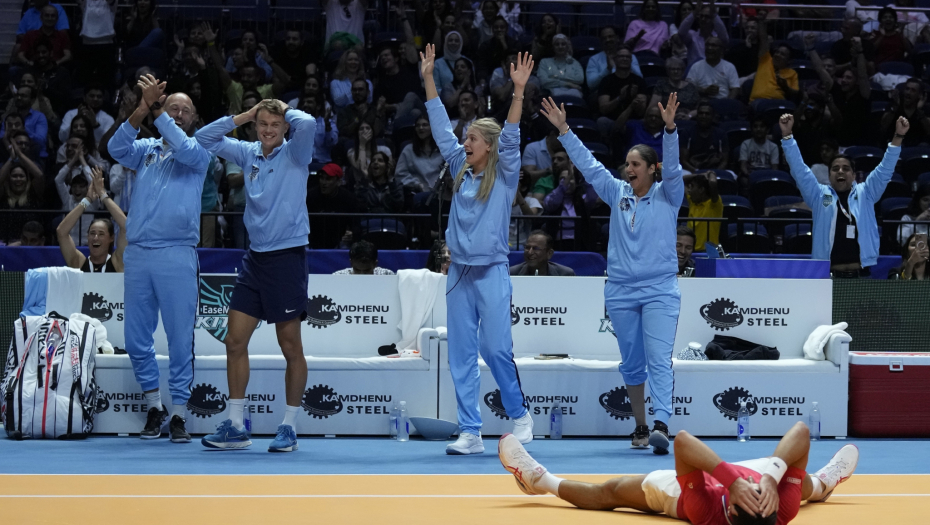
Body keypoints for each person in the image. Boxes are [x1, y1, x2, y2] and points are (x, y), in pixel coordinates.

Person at [540, 92, 682, 454]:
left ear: (653, 169)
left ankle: (662, 423)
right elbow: (588, 165)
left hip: (660, 290)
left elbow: (676, 166)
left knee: (659, 358)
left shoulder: (669, 194)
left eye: (636, 164)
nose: (628, 168)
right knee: (633, 363)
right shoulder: (616, 192)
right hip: (619, 291)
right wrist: (564, 129)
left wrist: (669, 130)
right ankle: (640, 425)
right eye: (627, 164)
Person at [420, 43, 535, 454]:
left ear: (487, 145)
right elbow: (438, 128)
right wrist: (429, 78)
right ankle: (471, 431)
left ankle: (520, 415)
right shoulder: (458, 169)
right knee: (462, 356)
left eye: (470, 138)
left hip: (491, 272)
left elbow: (514, 134)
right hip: (459, 274)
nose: (463, 142)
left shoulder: (504, 175)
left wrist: (518, 91)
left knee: (496, 350)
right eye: (464, 137)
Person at [196, 98, 316, 453]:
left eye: (274, 125)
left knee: (290, 345)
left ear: (284, 128)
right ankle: (235, 426)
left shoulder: (296, 153)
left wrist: (282, 107)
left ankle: (289, 427)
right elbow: (204, 138)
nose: (267, 130)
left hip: (287, 258)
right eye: (262, 124)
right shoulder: (248, 153)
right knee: (235, 341)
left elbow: (308, 123)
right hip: (255, 259)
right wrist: (243, 115)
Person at [106, 74, 210, 443]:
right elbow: (116, 149)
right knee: (136, 339)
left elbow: (181, 145)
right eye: (172, 108)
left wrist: (156, 109)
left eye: (185, 110)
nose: (178, 114)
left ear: (193, 119)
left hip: (177, 253)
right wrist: (140, 110)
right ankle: (155, 406)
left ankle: (179, 412)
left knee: (180, 338)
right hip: (138, 253)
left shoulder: (198, 151)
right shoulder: (146, 148)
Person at [498, 423, 860, 525]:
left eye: (748, 492)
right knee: (801, 482)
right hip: (754, 489)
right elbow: (800, 432)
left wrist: (733, 482)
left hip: (684, 494)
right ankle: (825, 483)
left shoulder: (708, 511)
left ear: (732, 510)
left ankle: (537, 480)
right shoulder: (783, 508)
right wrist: (767, 480)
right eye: (755, 491)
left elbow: (684, 442)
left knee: (609, 493)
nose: (750, 485)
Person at [781, 113, 907, 277]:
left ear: (854, 175)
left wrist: (898, 136)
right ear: (829, 175)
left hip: (862, 275)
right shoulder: (819, 195)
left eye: (846, 168)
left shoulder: (866, 192)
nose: (840, 171)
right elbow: (799, 170)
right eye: (835, 169)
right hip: (829, 276)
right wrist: (787, 136)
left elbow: (885, 169)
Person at [56, 166, 127, 272]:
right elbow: (61, 232)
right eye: (92, 233)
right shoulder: (78, 263)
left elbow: (125, 226)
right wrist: (87, 199)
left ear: (111, 238)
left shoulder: (118, 262)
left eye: (101, 234)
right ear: (87, 237)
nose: (95, 237)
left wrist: (102, 195)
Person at [807, 32, 870, 148]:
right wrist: (811, 47)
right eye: (844, 77)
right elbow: (821, 70)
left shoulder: (863, 94)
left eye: (849, 78)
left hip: (859, 145)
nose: (844, 80)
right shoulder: (837, 91)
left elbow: (862, 75)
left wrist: (860, 51)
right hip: (838, 144)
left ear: (856, 82)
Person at [307, 163, 359, 249]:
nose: (323, 183)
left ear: (338, 182)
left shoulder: (348, 198)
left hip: (339, 242)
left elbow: (356, 224)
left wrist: (352, 234)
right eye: (322, 178)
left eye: (328, 179)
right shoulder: (310, 196)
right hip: (313, 241)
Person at [749, 12, 798, 102]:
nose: (778, 55)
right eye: (777, 52)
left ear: (788, 61)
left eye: (782, 54)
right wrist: (761, 22)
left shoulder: (792, 73)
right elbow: (764, 40)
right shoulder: (766, 60)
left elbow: (796, 93)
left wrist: (785, 87)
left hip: (778, 103)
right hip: (758, 102)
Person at [395, 115, 444, 193]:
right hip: (417, 193)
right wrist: (416, 184)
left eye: (425, 125)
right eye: (418, 125)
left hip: (440, 192)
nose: (421, 128)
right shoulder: (408, 150)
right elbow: (400, 174)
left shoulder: (442, 149)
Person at [677, 0, 730, 67]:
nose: (703, 19)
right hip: (695, 74)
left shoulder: (717, 38)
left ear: (712, 19)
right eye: (701, 16)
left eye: (706, 16)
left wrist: (714, 15)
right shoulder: (692, 36)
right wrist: (694, 13)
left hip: (713, 73)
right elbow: (681, 32)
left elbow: (725, 38)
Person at [2, 85, 48, 159]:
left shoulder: (39, 116)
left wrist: (23, 130)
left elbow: (41, 141)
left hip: (35, 157)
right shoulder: (9, 117)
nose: (19, 98)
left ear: (32, 100)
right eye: (17, 95)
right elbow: (1, 135)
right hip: (9, 154)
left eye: (23, 96)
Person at [881, 79, 930, 147]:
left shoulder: (925, 109)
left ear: (919, 95)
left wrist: (918, 110)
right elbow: (883, 126)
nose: (908, 92)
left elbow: (928, 130)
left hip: (918, 145)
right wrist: (896, 107)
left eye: (913, 90)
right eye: (907, 89)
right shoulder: (894, 106)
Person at [681, 103, 728, 172]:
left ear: (712, 116)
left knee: (732, 176)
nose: (703, 116)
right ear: (697, 116)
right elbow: (683, 161)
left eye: (707, 114)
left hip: (715, 170)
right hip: (692, 170)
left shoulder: (721, 134)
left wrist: (714, 173)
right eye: (701, 113)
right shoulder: (687, 133)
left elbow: (724, 161)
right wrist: (698, 172)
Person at [683, 171, 722, 252]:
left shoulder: (714, 204)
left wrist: (711, 173)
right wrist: (699, 175)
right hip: (690, 251)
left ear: (701, 190)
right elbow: (680, 180)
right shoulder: (692, 202)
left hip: (708, 252)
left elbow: (712, 182)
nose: (689, 191)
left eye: (692, 187)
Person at [536, 34, 585, 100]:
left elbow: (580, 79)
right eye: (557, 44)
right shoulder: (544, 62)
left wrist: (554, 77)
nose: (560, 47)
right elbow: (544, 82)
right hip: (551, 94)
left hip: (573, 94)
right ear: (553, 47)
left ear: (567, 47)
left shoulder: (574, 63)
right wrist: (568, 84)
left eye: (563, 44)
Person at [510, 230, 575, 276]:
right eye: (527, 247)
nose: (530, 252)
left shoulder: (564, 274)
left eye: (536, 248)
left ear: (549, 253)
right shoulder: (512, 273)